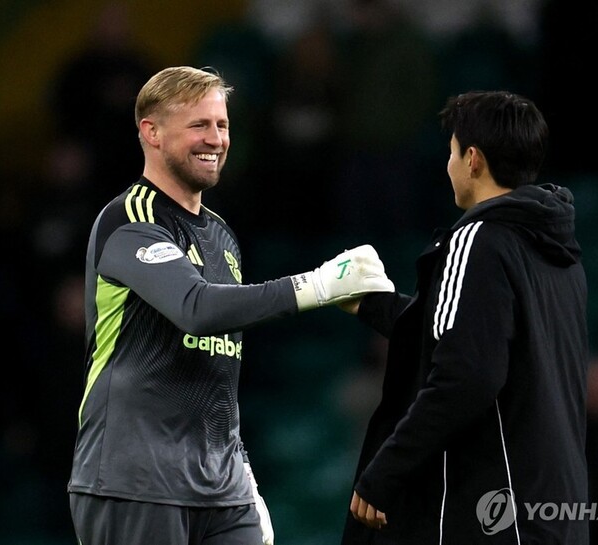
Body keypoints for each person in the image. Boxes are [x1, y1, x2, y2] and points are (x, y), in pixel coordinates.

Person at [67, 65, 395, 545]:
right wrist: (320, 285)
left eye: (222, 125)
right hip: (134, 482)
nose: (216, 139)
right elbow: (196, 309)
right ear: (151, 133)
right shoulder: (131, 219)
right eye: (199, 125)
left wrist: (244, 474)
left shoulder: (222, 236)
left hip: (222, 489)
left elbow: (218, 370)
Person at [341, 91, 590, 543]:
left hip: (497, 517)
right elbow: (468, 335)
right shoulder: (561, 254)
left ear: (472, 159)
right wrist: (372, 303)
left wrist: (385, 471)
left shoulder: (478, 238)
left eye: (452, 152)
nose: (449, 165)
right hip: (559, 513)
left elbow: (466, 374)